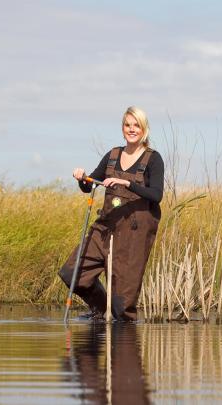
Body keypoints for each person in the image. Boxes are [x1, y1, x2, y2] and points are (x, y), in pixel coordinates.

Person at [59, 106, 164, 321]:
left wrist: (127, 183)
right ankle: (100, 309)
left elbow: (156, 194)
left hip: (133, 237)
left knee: (121, 307)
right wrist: (82, 178)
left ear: (144, 129)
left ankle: (120, 330)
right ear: (122, 127)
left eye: (136, 125)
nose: (131, 129)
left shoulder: (153, 159)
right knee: (72, 273)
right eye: (127, 125)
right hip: (104, 230)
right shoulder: (113, 155)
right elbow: (90, 185)